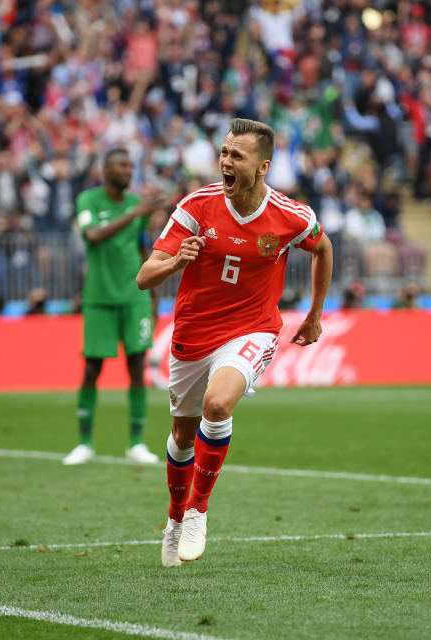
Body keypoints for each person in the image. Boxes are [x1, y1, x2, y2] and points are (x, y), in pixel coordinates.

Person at [136, 118, 333, 565]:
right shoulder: (197, 205)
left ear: (262, 166)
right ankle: (173, 519)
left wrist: (315, 315)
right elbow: (145, 276)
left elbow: (323, 248)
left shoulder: (291, 216)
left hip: (252, 327)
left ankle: (198, 511)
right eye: (223, 153)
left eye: (236, 156)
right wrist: (174, 263)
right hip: (193, 332)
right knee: (183, 435)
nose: (225, 162)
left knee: (218, 404)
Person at [62, 149, 164, 466]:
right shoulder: (88, 201)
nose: (128, 171)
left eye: (131, 166)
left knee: (136, 369)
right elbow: (92, 236)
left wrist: (155, 295)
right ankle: (84, 442)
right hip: (99, 298)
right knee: (92, 369)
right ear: (105, 170)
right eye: (121, 165)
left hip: (134, 298)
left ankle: (135, 442)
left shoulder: (138, 205)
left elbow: (143, 248)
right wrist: (135, 214)